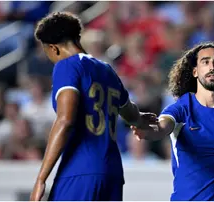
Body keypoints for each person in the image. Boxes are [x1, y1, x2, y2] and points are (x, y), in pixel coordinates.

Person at [30, 12, 157, 201]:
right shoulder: (108, 70)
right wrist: (140, 119)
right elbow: (130, 114)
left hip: (80, 170)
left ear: (53, 48)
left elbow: (65, 121)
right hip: (112, 173)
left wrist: (41, 178)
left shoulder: (66, 66)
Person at [131, 42, 214, 201]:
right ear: (195, 71)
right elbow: (161, 127)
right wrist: (147, 129)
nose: (212, 67)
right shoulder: (181, 109)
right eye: (205, 62)